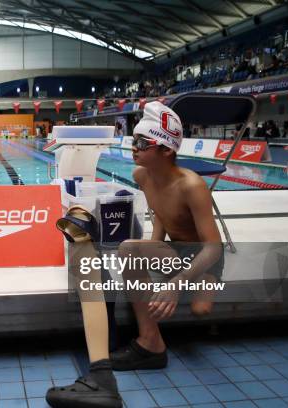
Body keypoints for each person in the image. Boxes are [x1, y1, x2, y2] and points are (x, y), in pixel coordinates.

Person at [110, 102, 224, 371]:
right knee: (129, 249)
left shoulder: (192, 185)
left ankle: (201, 283)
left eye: (142, 142)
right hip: (176, 251)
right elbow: (160, 212)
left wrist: (177, 282)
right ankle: (151, 343)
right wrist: (151, 247)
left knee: (201, 310)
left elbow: (214, 247)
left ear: (166, 149)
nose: (134, 146)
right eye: (134, 140)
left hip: (204, 257)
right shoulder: (142, 175)